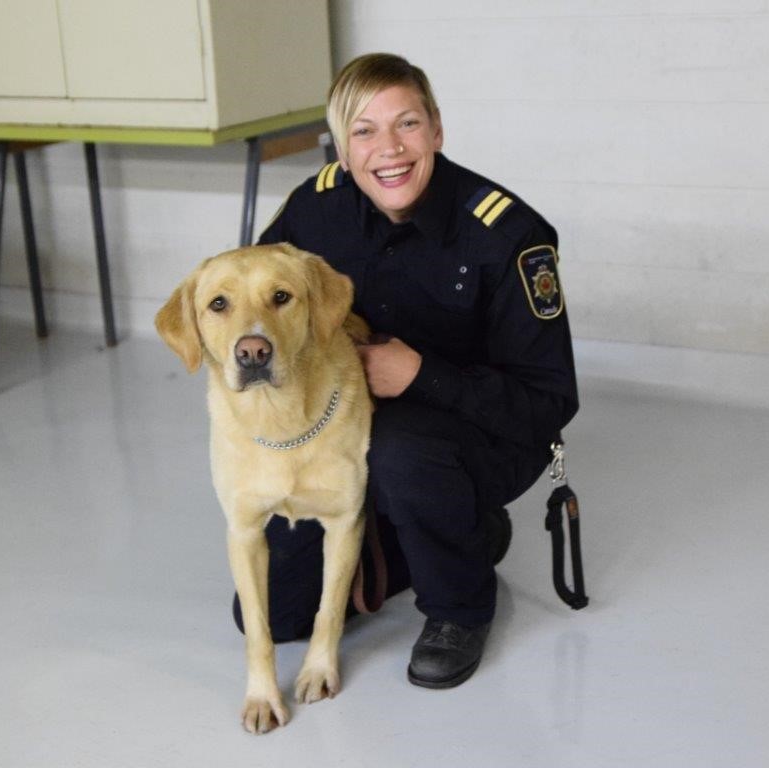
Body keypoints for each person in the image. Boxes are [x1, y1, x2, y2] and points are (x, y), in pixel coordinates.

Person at [233, 53, 579, 689]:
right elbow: (258, 307)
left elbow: (548, 405)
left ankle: (460, 605)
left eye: (407, 125)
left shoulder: (506, 235)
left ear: (437, 130)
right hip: (343, 434)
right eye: (363, 131)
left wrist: (422, 376)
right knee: (276, 614)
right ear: (340, 146)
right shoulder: (315, 211)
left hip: (479, 435)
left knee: (400, 450)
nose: (387, 149)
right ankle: (442, 530)